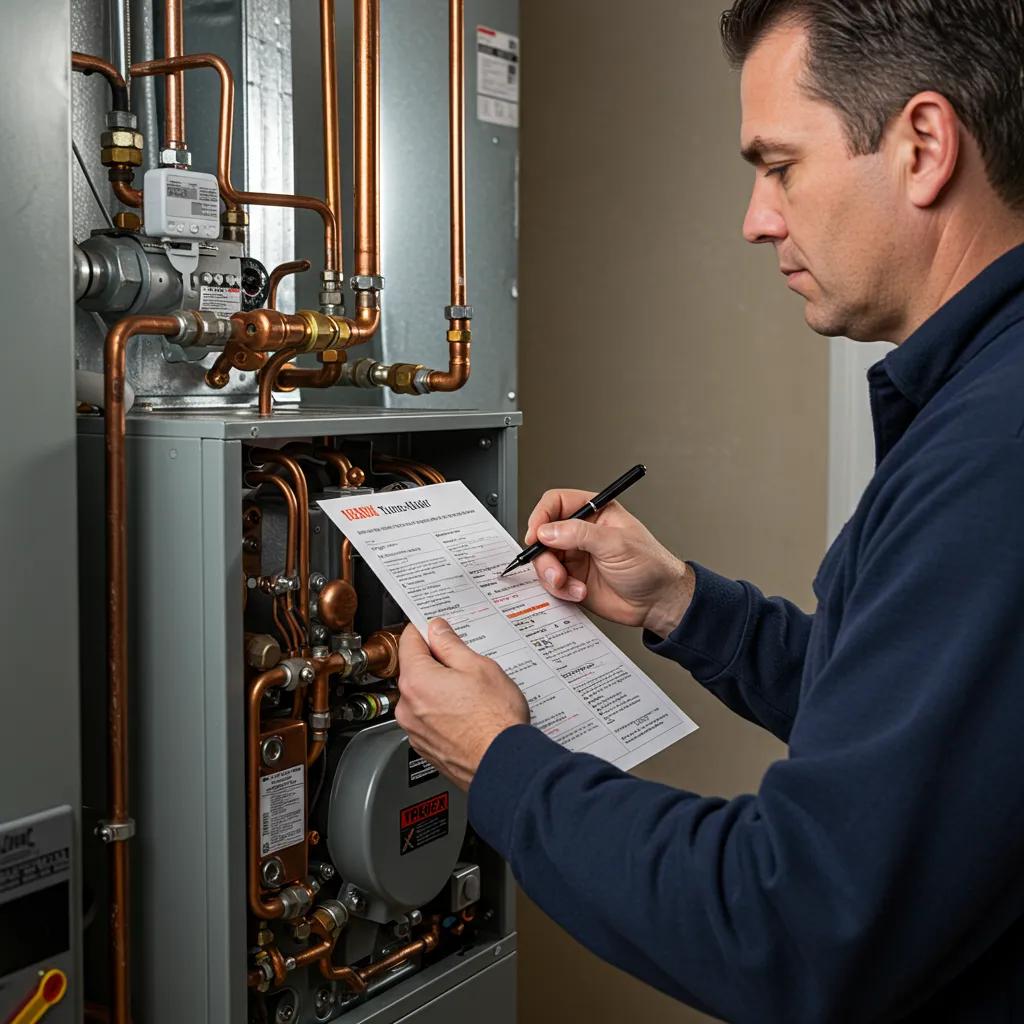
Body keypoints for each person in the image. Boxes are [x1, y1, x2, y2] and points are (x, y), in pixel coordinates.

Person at [395, 1, 1024, 1020]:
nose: (757, 217)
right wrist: (683, 603)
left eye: (777, 165)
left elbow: (791, 925)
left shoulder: (992, 451)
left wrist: (498, 761)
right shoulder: (982, 400)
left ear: (921, 145)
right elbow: (919, 726)